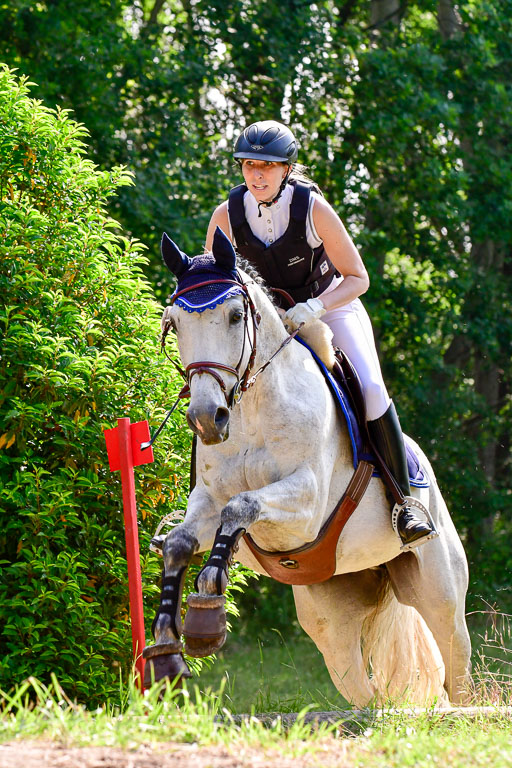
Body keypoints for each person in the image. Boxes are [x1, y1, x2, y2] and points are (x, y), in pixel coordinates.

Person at [205, 119, 433, 548]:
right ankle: (196, 501)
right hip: (269, 322)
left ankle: (405, 504)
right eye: (249, 165)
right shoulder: (226, 216)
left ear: (287, 169)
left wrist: (315, 307)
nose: (257, 175)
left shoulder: (313, 209)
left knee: (370, 387)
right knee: (213, 387)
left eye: (267, 167)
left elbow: (358, 277)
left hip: (331, 307)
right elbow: (218, 284)